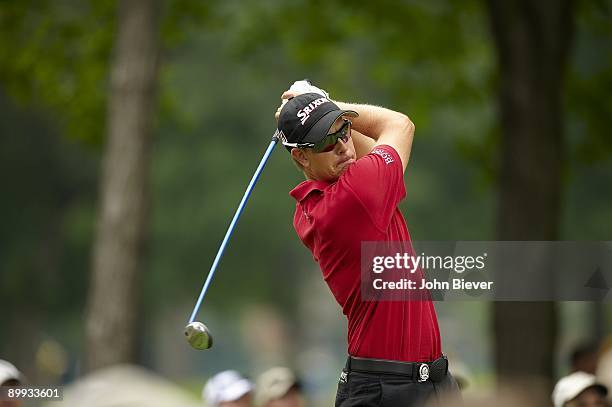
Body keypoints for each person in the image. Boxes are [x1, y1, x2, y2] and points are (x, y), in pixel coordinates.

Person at [274, 81, 460, 406]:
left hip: (430, 382)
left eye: (344, 130)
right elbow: (398, 125)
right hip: (385, 390)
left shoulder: (324, 197)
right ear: (301, 156)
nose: (344, 146)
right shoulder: (352, 198)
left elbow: (364, 148)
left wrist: (325, 111)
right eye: (327, 142)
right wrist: (326, 100)